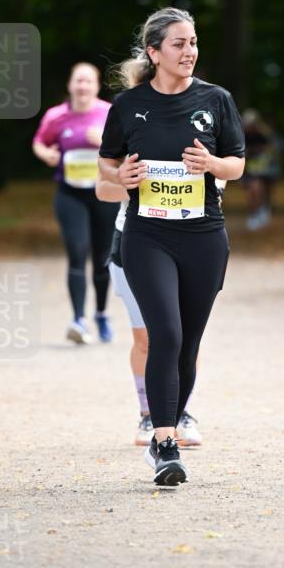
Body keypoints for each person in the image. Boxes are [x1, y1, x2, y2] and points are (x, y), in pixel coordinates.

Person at [98, 7, 245, 486]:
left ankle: (172, 419)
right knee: (166, 333)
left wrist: (211, 163)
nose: (190, 52)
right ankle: (164, 443)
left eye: (194, 42)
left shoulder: (217, 100)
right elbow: (106, 167)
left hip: (204, 237)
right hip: (148, 236)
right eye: (179, 44)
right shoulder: (128, 106)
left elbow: (237, 167)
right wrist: (120, 177)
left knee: (189, 344)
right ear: (155, 52)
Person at [95, 187, 204, 448]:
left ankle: (181, 413)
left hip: (192, 239)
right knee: (146, 338)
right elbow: (103, 189)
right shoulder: (128, 145)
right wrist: (139, 184)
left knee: (185, 337)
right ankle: (147, 415)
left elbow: (223, 179)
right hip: (135, 242)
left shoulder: (205, 146)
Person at [33, 63, 117, 343]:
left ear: (96, 86)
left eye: (88, 82)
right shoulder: (56, 116)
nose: (82, 87)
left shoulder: (108, 113)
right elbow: (39, 142)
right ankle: (78, 320)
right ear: (70, 85)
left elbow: (129, 147)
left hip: (104, 192)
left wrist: (104, 140)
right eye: (78, 81)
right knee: (77, 251)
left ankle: (102, 314)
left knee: (104, 257)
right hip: (70, 194)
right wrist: (46, 155)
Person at [242, 110, 281, 230]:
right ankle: (254, 214)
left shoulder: (265, 134)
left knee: (266, 191)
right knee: (253, 191)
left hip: (267, 169)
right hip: (251, 170)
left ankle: (264, 210)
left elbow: (277, 145)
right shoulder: (242, 136)